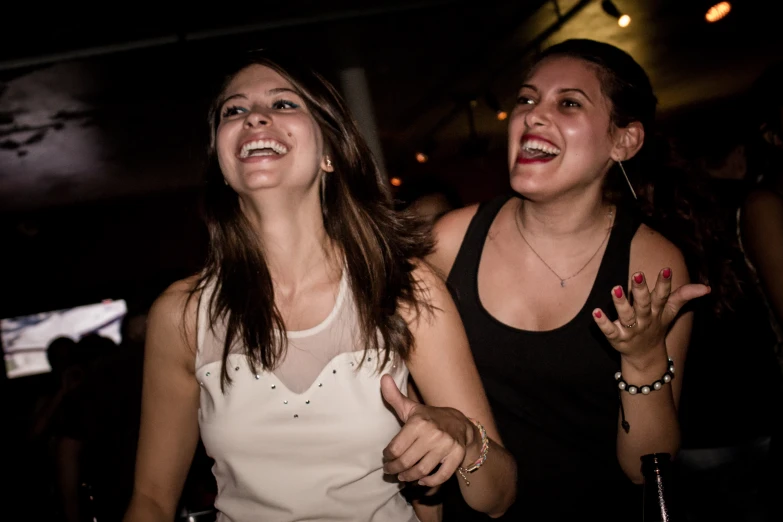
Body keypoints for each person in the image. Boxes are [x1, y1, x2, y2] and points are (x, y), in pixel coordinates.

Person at [122, 51, 516, 522]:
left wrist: (464, 438)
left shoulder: (404, 290)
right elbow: (151, 501)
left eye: (284, 104)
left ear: (330, 152)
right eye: (235, 111)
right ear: (222, 163)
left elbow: (500, 494)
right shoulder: (183, 315)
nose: (255, 117)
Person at [428, 39, 710, 520]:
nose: (533, 116)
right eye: (526, 99)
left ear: (624, 141)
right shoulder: (450, 241)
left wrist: (643, 361)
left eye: (569, 103)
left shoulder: (649, 262)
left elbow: (647, 468)